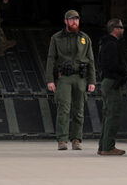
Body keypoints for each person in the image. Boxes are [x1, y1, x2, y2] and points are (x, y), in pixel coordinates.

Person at [46, 9, 96, 150]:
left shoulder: (85, 38)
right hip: (64, 78)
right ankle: (62, 139)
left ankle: (76, 139)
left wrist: (92, 81)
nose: (74, 22)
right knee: (64, 108)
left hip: (80, 78)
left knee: (79, 110)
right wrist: (50, 79)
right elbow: (51, 59)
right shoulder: (56, 38)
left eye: (77, 19)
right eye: (71, 19)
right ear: (66, 21)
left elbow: (91, 60)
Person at [96, 18, 127, 156]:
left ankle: (103, 146)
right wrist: (122, 73)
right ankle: (108, 147)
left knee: (108, 114)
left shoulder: (105, 43)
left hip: (107, 81)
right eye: (121, 27)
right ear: (115, 28)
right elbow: (112, 65)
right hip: (112, 82)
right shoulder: (112, 45)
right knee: (113, 114)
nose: (123, 29)